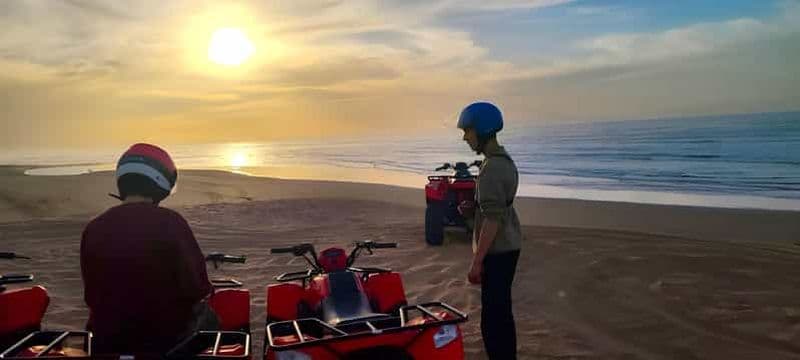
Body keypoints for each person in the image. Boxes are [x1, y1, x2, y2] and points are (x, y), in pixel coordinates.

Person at [80, 143, 216, 354]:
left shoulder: (94, 227)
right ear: (161, 182)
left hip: (107, 341)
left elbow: (91, 294)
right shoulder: (171, 223)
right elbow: (197, 288)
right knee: (211, 320)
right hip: (163, 340)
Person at [458, 102, 523, 359]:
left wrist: (477, 262)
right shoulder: (499, 161)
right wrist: (474, 209)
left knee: (494, 321)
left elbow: (494, 220)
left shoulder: (493, 168)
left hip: (499, 250)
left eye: (468, 131)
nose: (465, 137)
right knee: (500, 314)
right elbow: (497, 207)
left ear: (482, 130)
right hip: (507, 245)